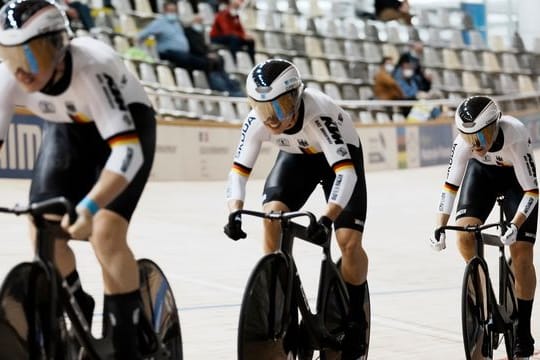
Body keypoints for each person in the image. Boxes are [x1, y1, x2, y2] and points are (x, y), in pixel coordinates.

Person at [0, 0, 156, 358]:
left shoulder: (91, 67)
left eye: (32, 55)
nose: (21, 70)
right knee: (42, 226)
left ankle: (127, 340)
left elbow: (127, 152)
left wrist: (89, 205)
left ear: (58, 46)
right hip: (69, 129)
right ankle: (76, 302)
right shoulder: (7, 76)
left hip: (126, 128)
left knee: (104, 232)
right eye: (11, 55)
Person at [224, 59, 370, 358]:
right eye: (263, 109)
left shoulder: (318, 113)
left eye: (279, 108)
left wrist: (328, 218)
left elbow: (346, 174)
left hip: (339, 160)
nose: (272, 120)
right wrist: (234, 210)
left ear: (296, 97)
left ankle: (356, 318)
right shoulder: (257, 121)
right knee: (271, 215)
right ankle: (282, 305)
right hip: (296, 158)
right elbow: (238, 171)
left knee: (348, 241)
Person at [430, 96, 538, 358]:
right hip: (482, 177)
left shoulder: (515, 135)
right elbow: (450, 186)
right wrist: (439, 225)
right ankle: (484, 291)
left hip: (517, 184)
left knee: (522, 254)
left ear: (495, 126)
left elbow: (532, 192)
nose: (475, 144)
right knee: (465, 236)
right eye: (468, 138)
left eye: (481, 136)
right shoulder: (465, 143)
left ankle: (523, 329)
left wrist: (515, 225)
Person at [137, 0, 244, 96]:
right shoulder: (159, 23)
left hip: (183, 54)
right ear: (164, 11)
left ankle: (232, 88)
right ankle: (223, 90)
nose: (172, 13)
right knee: (205, 63)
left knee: (215, 61)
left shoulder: (177, 23)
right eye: (170, 11)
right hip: (169, 53)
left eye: (174, 11)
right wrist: (142, 48)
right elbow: (142, 35)